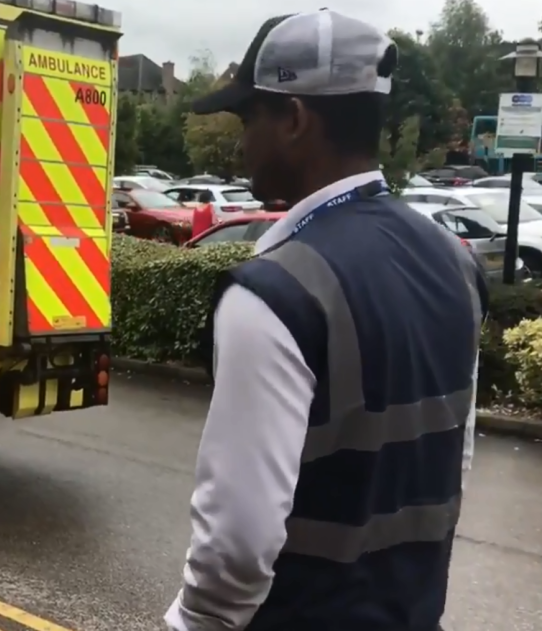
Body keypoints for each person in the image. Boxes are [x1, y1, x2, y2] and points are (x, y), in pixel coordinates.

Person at [166, 11, 486, 631]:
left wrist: (196, 623)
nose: (240, 144)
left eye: (247, 118)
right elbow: (454, 458)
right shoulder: (455, 263)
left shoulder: (274, 293)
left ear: (293, 119)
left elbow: (236, 545)